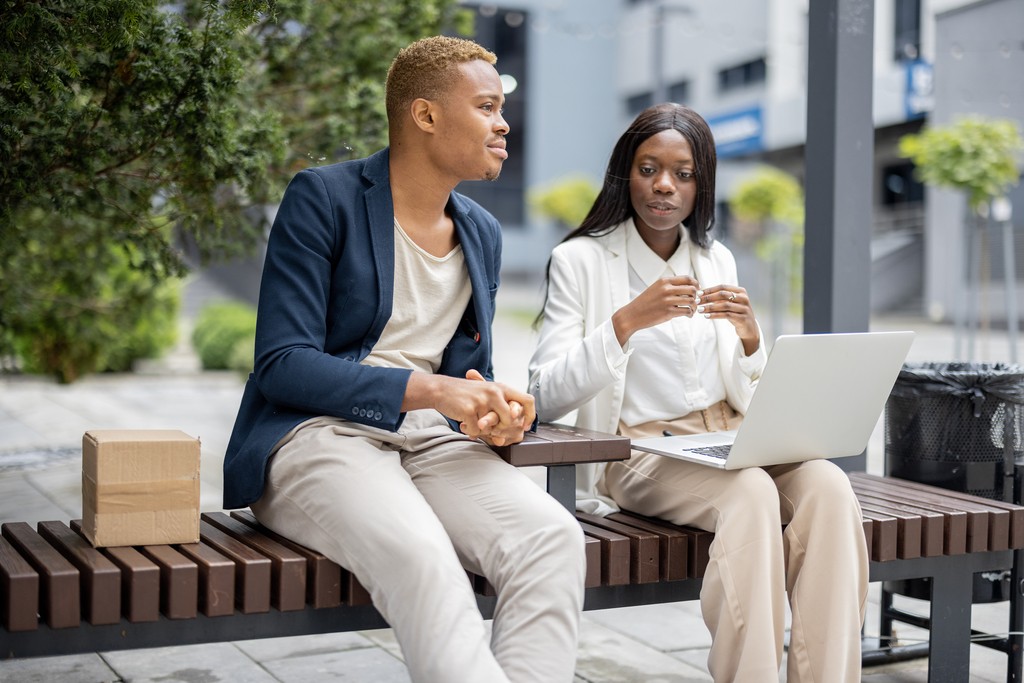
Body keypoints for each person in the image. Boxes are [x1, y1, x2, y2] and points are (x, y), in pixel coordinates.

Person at [222, 36, 585, 683]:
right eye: (486, 106)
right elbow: (282, 363)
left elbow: (465, 371)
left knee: (552, 539)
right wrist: (432, 390)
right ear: (425, 116)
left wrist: (491, 410)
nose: (504, 123)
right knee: (423, 556)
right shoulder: (323, 198)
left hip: (430, 445)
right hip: (315, 436)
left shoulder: (482, 231)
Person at [528, 103, 868, 683]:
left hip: (729, 440)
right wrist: (624, 323)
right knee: (751, 494)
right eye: (649, 168)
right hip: (639, 454)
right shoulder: (580, 261)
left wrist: (752, 340)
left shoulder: (717, 259)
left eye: (683, 174)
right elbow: (544, 393)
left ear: (701, 184)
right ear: (624, 174)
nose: (664, 185)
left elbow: (743, 391)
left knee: (830, 488)